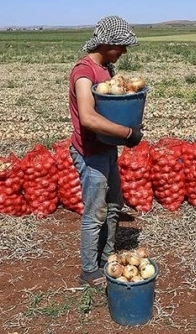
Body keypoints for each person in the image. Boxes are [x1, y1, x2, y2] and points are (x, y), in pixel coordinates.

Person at [68, 15, 144, 287]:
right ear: (106, 43)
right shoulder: (84, 72)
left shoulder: (108, 70)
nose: (124, 51)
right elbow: (88, 117)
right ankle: (89, 270)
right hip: (90, 153)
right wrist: (127, 133)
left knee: (113, 206)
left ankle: (106, 258)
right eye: (120, 46)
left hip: (106, 148)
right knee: (94, 213)